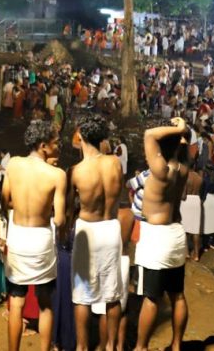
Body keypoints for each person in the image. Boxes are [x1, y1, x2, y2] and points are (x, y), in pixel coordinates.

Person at [2, 119, 65, 351]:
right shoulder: (57, 174)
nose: (59, 146)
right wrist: (45, 210)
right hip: (40, 240)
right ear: (43, 146)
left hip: (18, 237)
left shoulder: (13, 164)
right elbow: (59, 219)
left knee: (16, 302)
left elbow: (4, 200)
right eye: (55, 143)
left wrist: (20, 206)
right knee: (45, 302)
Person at [134, 117, 191, 351]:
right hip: (176, 233)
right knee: (177, 294)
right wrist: (183, 130)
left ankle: (141, 347)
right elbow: (184, 144)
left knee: (151, 297)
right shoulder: (182, 167)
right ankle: (176, 345)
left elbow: (149, 134)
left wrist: (178, 128)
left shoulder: (160, 169)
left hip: (157, 237)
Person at [69, 118, 124, 351]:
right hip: (111, 228)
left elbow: (68, 208)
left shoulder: (76, 171)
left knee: (82, 296)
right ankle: (110, 345)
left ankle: (82, 347)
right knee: (112, 293)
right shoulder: (115, 163)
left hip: (87, 230)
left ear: (80, 137)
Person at [180, 167, 203, 261]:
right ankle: (197, 254)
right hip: (196, 200)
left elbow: (183, 195)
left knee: (184, 228)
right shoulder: (199, 177)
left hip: (187, 201)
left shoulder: (185, 176)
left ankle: (186, 253)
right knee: (195, 229)